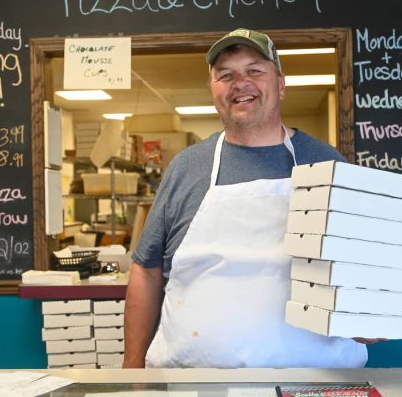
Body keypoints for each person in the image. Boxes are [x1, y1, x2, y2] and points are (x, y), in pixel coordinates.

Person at [124, 28, 371, 368]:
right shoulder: (186, 167)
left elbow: (364, 272)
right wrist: (132, 370)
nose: (241, 83)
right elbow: (146, 270)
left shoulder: (329, 165)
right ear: (214, 92)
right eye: (225, 75)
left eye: (255, 70)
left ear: (280, 84)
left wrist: (371, 315)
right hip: (194, 385)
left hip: (316, 383)